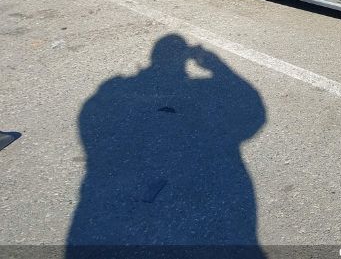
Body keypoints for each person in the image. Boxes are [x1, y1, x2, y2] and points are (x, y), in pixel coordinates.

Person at [67, 34, 266, 255]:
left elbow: (95, 121)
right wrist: (217, 65)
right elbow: (252, 110)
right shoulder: (196, 91)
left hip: (101, 217)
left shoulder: (110, 94)